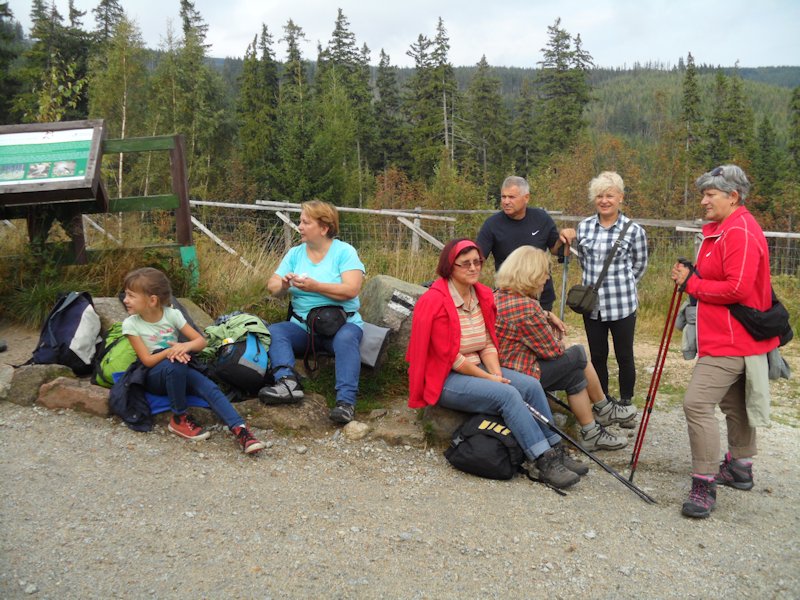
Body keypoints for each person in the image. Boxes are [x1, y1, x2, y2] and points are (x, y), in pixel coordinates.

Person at [406, 238, 586, 489]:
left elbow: (489, 342)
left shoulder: (480, 294)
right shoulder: (435, 301)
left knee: (531, 386)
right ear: (450, 266)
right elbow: (451, 358)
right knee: (507, 395)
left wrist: (495, 372)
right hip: (445, 377)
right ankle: (542, 460)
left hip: (477, 367)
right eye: (465, 263)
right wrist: (492, 380)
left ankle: (556, 449)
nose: (473, 268)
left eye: (477, 262)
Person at [670, 165, 780, 519]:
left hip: (733, 339)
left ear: (733, 196)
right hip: (726, 335)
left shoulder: (741, 231)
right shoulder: (722, 229)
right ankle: (740, 467)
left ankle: (704, 483)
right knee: (734, 404)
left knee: (696, 403)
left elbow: (738, 288)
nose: (703, 200)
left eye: (710, 194)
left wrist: (692, 284)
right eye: (703, 193)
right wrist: (694, 274)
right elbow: (720, 276)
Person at [494, 246, 635, 451]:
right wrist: (559, 337)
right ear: (530, 275)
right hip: (522, 373)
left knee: (574, 375)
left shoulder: (498, 295)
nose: (546, 279)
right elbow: (553, 351)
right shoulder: (527, 307)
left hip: (505, 366)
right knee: (578, 354)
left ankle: (592, 432)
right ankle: (604, 409)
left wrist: (547, 315)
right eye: (544, 274)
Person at [121, 267, 266, 454]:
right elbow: (147, 361)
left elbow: (200, 341)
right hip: (152, 376)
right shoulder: (131, 324)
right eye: (126, 295)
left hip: (178, 367)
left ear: (152, 300)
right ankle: (179, 418)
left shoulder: (172, 314)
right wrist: (170, 352)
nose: (125, 300)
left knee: (208, 386)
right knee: (176, 363)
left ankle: (241, 431)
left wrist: (185, 347)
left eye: (131, 296)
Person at [260, 200, 365, 425]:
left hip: (341, 325)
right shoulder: (295, 254)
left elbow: (352, 289)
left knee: (347, 338)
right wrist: (285, 285)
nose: (299, 226)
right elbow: (272, 285)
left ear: (324, 228)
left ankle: (346, 403)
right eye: (300, 221)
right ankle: (287, 383)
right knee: (276, 331)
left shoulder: (344, 252)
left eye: (306, 222)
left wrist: (316, 286)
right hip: (303, 327)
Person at [567, 171, 648, 413]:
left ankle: (625, 401)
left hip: (622, 304)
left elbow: (639, 265)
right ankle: (601, 400)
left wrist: (621, 284)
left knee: (624, 355)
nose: (604, 201)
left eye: (609, 196)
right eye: (600, 196)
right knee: (598, 355)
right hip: (592, 306)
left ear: (620, 198)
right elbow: (583, 261)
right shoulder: (584, 228)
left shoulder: (634, 230)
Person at [477, 175, 575, 312]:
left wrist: (563, 237)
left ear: (526, 198)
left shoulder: (541, 218)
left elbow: (555, 249)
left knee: (541, 333)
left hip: (541, 296)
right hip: (508, 299)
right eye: (503, 197)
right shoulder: (492, 224)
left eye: (511, 197)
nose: (506, 201)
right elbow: (478, 258)